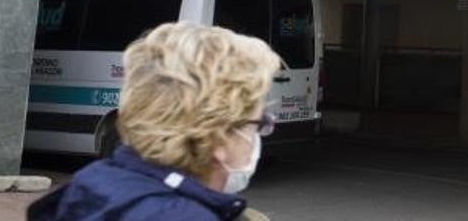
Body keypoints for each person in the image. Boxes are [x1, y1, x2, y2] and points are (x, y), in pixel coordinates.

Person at [29, 22, 282, 220]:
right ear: (218, 135)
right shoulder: (184, 217)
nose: (256, 139)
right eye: (256, 125)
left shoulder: (94, 182)